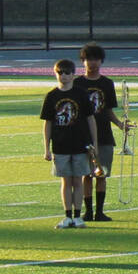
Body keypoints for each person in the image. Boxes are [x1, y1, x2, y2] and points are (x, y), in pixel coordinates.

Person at [41, 58, 98, 230]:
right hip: (60, 145)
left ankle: (77, 216)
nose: (63, 76)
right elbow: (48, 123)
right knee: (66, 181)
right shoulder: (52, 96)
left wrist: (94, 143)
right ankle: (67, 215)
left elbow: (90, 119)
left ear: (73, 74)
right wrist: (46, 148)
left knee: (78, 180)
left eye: (67, 73)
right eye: (60, 73)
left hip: (80, 144)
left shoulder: (81, 94)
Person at [77, 43, 127, 221]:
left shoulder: (106, 83)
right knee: (86, 175)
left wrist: (120, 124)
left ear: (101, 61)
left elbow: (108, 110)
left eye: (96, 59)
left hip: (104, 135)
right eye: (89, 59)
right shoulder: (77, 84)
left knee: (102, 174)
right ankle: (88, 211)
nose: (92, 63)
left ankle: (99, 211)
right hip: (83, 135)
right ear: (83, 61)